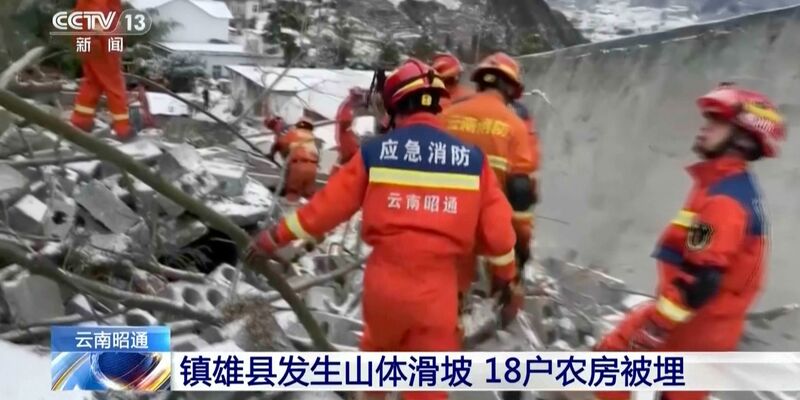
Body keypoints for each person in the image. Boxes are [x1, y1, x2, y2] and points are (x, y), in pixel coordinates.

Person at [245, 59, 522, 400]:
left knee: (375, 375)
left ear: (394, 108)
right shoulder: (473, 161)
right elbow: (498, 235)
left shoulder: (375, 154)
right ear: (437, 104)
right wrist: (505, 277)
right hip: (437, 296)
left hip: (383, 291)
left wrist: (273, 238)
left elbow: (322, 212)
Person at [594, 84, 787, 400]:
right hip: (709, 328)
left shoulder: (724, 200)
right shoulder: (731, 187)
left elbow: (699, 281)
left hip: (692, 325)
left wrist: (656, 326)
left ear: (742, 138)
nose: (704, 129)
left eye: (715, 123)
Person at [439, 52, 537, 307]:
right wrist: (522, 247)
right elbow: (520, 192)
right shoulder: (515, 126)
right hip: (485, 232)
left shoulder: (445, 117)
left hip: (434, 224)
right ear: (511, 89)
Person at [70, 0, 132, 141]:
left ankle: (81, 120)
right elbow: (97, 6)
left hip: (84, 35)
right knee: (113, 81)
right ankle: (122, 128)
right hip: (100, 36)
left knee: (93, 80)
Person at [269, 117, 319, 201]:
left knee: (293, 193)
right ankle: (312, 212)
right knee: (309, 194)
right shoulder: (311, 138)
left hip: (299, 166)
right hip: (312, 168)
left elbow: (279, 143)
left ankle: (290, 212)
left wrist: (271, 155)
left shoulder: (294, 133)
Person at [330, 87, 369, 176]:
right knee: (356, 157)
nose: (359, 101)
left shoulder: (348, 107)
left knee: (346, 159)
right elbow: (344, 124)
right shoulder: (346, 107)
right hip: (345, 140)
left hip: (345, 138)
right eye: (358, 98)